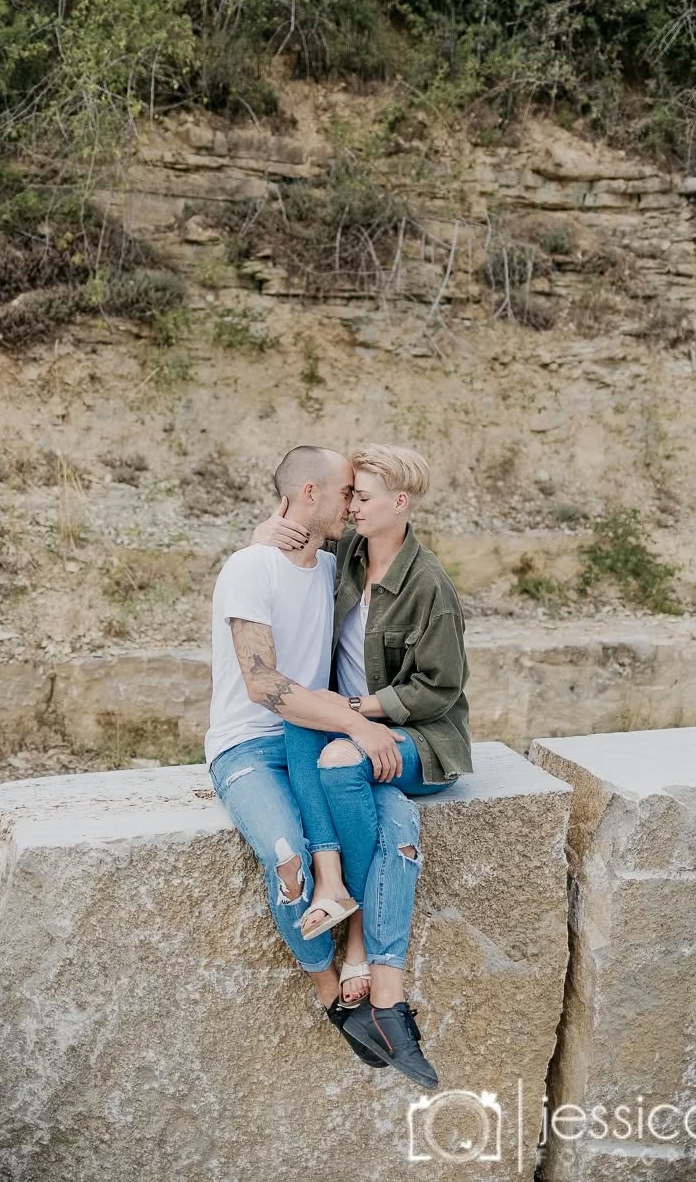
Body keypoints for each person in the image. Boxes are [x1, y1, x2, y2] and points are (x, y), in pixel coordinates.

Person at [253, 443, 473, 1089]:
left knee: (340, 760)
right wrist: (263, 532)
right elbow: (282, 544)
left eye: (362, 497)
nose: (350, 506)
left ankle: (352, 939)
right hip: (352, 733)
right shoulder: (347, 553)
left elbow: (439, 688)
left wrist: (356, 711)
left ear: (400, 504)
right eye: (349, 495)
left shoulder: (429, 585)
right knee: (389, 817)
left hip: (419, 738)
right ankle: (388, 1005)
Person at [204, 444, 416, 1070]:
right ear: (309, 494)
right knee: (287, 856)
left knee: (395, 824)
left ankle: (371, 968)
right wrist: (354, 721)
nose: (353, 505)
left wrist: (356, 725)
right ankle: (331, 993)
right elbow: (262, 683)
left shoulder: (334, 569)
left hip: (320, 741)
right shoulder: (249, 568)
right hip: (247, 745)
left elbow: (396, 538)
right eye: (346, 492)